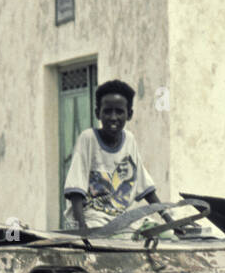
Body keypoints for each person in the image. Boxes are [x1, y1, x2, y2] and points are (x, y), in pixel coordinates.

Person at [63, 79, 177, 235]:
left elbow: (146, 188)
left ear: (129, 114)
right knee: (127, 240)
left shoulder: (129, 140)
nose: (113, 117)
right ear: (98, 113)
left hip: (126, 219)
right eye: (107, 111)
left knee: (168, 237)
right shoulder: (88, 138)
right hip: (95, 219)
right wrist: (82, 230)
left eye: (119, 111)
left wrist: (169, 220)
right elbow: (76, 190)